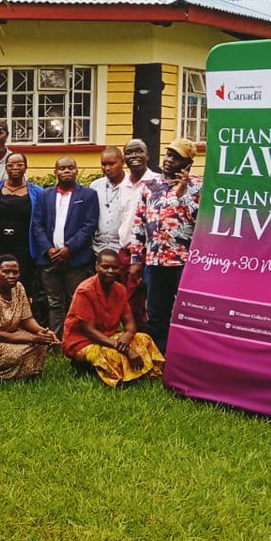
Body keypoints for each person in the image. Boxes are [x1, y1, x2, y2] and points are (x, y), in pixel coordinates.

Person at [129, 138, 202, 353]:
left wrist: (182, 194)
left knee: (186, 312)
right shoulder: (151, 186)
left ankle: (185, 355)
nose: (169, 160)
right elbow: (139, 223)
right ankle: (160, 357)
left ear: (188, 163)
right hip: (155, 261)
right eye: (168, 154)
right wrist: (136, 259)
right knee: (156, 313)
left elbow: (199, 221)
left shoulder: (198, 186)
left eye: (176, 157)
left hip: (184, 262)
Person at [63, 249, 165, 387]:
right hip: (83, 341)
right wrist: (126, 349)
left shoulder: (120, 290)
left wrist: (128, 336)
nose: (110, 271)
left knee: (144, 339)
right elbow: (89, 330)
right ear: (96, 267)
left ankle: (142, 374)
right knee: (112, 354)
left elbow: (130, 324)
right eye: (105, 267)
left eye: (115, 267)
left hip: (109, 336)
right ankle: (98, 371)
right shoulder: (84, 291)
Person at [30, 156, 99, 337]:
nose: (66, 171)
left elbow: (89, 225)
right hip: (50, 259)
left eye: (70, 167)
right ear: (55, 172)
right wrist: (49, 249)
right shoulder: (45, 195)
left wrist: (69, 248)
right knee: (54, 303)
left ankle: (73, 340)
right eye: (62, 168)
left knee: (75, 301)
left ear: (76, 170)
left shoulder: (88, 195)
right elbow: (37, 225)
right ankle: (56, 341)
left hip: (76, 259)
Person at [0, 254, 58, 381]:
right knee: (14, 354)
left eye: (15, 272)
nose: (11, 276)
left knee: (41, 344)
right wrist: (33, 338)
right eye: (6, 272)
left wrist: (42, 332)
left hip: (11, 331)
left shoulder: (19, 287)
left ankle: (28, 374)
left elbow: (27, 319)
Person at [0, 152, 43, 297]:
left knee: (23, 289)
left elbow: (42, 222)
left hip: (24, 250)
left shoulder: (38, 192)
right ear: (5, 168)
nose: (15, 167)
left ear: (26, 167)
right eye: (10, 165)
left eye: (20, 164)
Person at [116, 139, 163, 326]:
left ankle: (150, 343)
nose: (134, 156)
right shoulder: (123, 184)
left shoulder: (157, 183)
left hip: (147, 254)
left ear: (147, 155)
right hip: (124, 251)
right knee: (128, 304)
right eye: (129, 152)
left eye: (139, 152)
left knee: (147, 303)